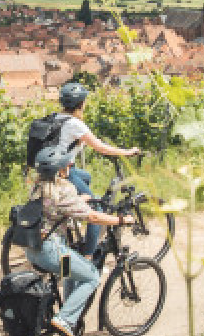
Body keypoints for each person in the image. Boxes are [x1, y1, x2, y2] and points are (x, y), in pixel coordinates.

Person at [25, 145, 134, 336]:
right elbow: (92, 217)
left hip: (34, 249)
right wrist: (120, 220)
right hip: (51, 251)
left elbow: (58, 205)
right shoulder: (63, 190)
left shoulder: (37, 187)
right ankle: (65, 319)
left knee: (69, 271)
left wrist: (80, 199)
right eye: (66, 163)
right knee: (92, 277)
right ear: (59, 170)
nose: (69, 165)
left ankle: (70, 310)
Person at [54, 81, 141, 257]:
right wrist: (127, 152)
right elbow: (99, 147)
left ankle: (74, 214)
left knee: (86, 177)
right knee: (96, 211)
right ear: (81, 104)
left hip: (54, 168)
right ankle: (88, 256)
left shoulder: (57, 117)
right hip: (63, 173)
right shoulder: (74, 123)